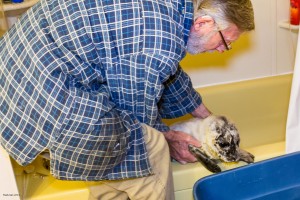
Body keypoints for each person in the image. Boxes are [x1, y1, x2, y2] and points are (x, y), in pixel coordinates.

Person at [0, 0, 254, 199]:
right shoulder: (157, 39)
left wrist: (205, 115)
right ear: (203, 24)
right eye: (226, 42)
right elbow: (134, 110)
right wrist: (169, 139)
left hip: (17, 70)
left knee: (115, 145)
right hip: (39, 92)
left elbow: (166, 70)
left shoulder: (171, 11)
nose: (222, 50)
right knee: (148, 147)